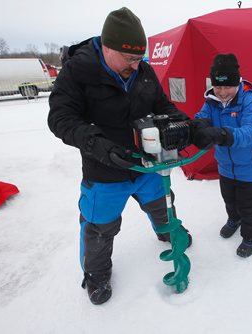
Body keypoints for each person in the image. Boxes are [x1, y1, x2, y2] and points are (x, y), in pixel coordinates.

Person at [48, 7, 191, 305]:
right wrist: (97, 144)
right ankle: (97, 275)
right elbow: (61, 118)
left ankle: (168, 233)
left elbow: (164, 107)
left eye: (140, 59)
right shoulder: (78, 72)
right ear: (108, 47)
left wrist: (186, 127)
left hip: (146, 165)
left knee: (163, 205)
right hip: (104, 171)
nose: (137, 66)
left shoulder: (144, 71)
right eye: (131, 59)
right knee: (99, 227)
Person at [191, 53, 252, 258]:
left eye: (227, 87)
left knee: (249, 206)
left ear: (237, 82)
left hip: (250, 167)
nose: (223, 92)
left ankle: (251, 235)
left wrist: (224, 134)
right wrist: (198, 127)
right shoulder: (212, 101)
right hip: (225, 166)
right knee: (229, 199)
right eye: (218, 87)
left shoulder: (249, 100)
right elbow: (202, 117)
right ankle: (234, 219)